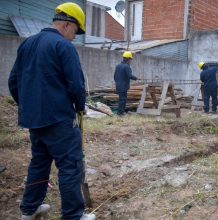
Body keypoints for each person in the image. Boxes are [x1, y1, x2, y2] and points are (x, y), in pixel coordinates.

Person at [8, 2, 95, 220]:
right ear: (67, 24)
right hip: (59, 119)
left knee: (39, 162)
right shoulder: (63, 47)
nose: (74, 37)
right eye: (75, 31)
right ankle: (73, 215)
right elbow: (76, 84)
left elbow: (13, 82)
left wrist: (28, 106)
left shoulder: (26, 44)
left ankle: (29, 209)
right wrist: (80, 107)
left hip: (34, 120)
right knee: (69, 166)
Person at [114, 51, 138, 116]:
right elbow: (129, 76)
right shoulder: (127, 66)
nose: (131, 61)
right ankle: (121, 113)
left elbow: (115, 76)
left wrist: (118, 82)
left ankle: (120, 112)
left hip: (118, 85)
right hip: (123, 86)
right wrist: (136, 78)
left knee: (120, 99)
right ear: (128, 59)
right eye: (130, 59)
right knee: (123, 100)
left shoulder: (118, 66)